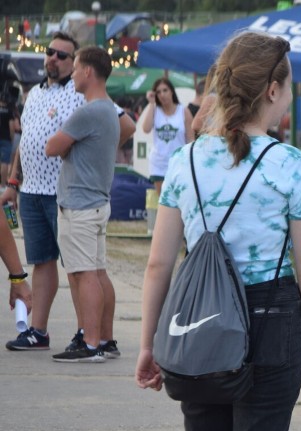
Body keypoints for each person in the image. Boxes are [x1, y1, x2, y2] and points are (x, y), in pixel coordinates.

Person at [135, 31, 301, 431]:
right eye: (291, 85)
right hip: (272, 324)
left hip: (198, 322)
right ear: (273, 89)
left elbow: (158, 263)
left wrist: (150, 342)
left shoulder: (186, 161)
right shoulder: (290, 165)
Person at [2, 31, 134, 353]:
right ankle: (38, 332)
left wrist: (95, 155)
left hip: (66, 193)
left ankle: (89, 335)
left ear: (79, 66)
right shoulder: (34, 94)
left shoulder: (84, 94)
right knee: (43, 262)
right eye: (51, 52)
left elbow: (125, 126)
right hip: (32, 189)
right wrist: (13, 183)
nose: (55, 59)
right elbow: (27, 141)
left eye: (65, 56)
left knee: (82, 269)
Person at [45, 46, 119, 363]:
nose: (73, 74)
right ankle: (104, 337)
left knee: (83, 274)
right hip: (96, 202)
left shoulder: (88, 111)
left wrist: (67, 144)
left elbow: (52, 146)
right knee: (98, 272)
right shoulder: (109, 109)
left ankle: (89, 343)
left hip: (79, 204)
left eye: (75, 68)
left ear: (88, 71)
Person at [139, 77, 194, 195]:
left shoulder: (183, 111)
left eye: (165, 90)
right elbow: (146, 128)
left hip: (179, 163)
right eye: (158, 92)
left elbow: (190, 139)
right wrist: (151, 103)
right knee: (162, 201)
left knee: (179, 199)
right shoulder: (155, 110)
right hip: (159, 164)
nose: (162, 94)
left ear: (172, 91)